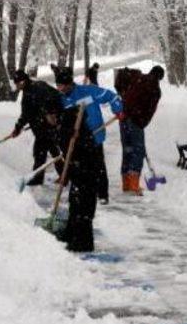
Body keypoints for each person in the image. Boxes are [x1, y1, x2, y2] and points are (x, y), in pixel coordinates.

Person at [54, 66, 123, 204]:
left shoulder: (88, 91)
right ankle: (79, 195)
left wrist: (118, 109)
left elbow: (112, 96)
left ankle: (102, 195)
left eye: (62, 85)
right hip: (75, 139)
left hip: (93, 135)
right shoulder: (60, 100)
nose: (59, 89)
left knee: (98, 166)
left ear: (69, 83)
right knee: (76, 168)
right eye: (58, 85)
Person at [117, 65, 165, 194]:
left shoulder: (137, 78)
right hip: (135, 121)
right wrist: (142, 122)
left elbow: (124, 90)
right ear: (160, 77)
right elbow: (150, 109)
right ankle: (134, 185)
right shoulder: (155, 89)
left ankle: (126, 183)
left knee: (127, 150)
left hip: (124, 118)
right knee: (137, 152)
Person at [56, 103, 98, 252]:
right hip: (80, 171)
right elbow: (67, 156)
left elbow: (79, 153)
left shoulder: (77, 131)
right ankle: (72, 234)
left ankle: (83, 243)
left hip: (87, 172)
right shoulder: (66, 128)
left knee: (83, 207)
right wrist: (65, 175)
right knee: (75, 203)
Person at [11, 70, 63, 185]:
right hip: (41, 128)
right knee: (52, 151)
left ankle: (39, 178)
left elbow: (56, 98)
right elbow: (26, 113)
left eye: (18, 83)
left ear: (23, 81)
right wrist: (18, 127)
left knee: (41, 153)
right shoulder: (28, 91)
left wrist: (51, 115)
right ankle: (64, 175)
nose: (17, 86)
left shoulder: (38, 88)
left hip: (47, 127)